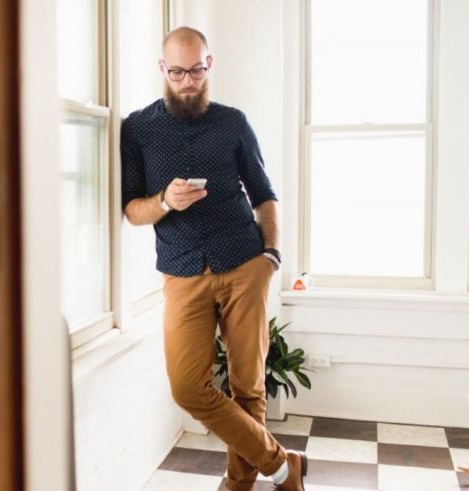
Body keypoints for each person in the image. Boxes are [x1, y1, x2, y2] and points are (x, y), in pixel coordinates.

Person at [120, 27, 306, 491]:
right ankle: (282, 465)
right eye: (178, 71)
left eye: (197, 70)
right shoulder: (137, 129)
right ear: (162, 69)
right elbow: (131, 209)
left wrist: (272, 255)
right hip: (181, 271)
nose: (188, 81)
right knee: (187, 387)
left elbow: (264, 195)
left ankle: (238, 482)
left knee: (248, 385)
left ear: (210, 65)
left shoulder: (233, 122)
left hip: (244, 264)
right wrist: (165, 200)